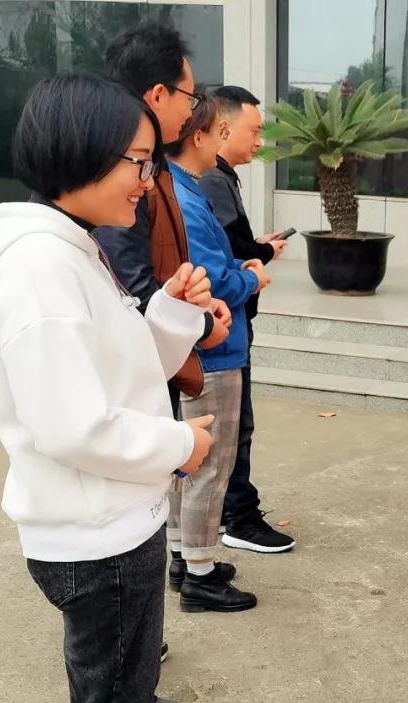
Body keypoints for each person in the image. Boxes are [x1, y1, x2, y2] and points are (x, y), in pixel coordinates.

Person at [0, 74, 213, 703]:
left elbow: (119, 372)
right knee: (110, 695)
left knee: (122, 678)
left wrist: (172, 311)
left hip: (114, 519)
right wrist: (180, 444)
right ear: (82, 152)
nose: (148, 181)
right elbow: (72, 427)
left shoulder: (72, 246)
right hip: (99, 537)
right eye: (139, 162)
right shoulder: (40, 268)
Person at [97, 23, 230, 418]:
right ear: (158, 94)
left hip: (150, 362)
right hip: (130, 382)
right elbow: (129, 284)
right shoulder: (122, 171)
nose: (192, 111)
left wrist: (190, 307)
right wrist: (199, 325)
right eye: (190, 97)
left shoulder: (153, 165)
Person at [165, 95, 266, 612]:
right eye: (220, 133)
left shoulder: (182, 188)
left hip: (203, 343)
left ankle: (184, 557)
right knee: (209, 462)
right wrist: (250, 278)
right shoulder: (188, 194)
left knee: (189, 459)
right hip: (215, 347)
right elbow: (213, 280)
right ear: (201, 134)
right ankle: (200, 575)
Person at [200, 85, 295, 554]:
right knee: (232, 426)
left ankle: (224, 514)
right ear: (221, 127)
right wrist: (257, 265)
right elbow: (223, 263)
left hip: (228, 322)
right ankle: (235, 516)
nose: (259, 141)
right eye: (254, 131)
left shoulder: (216, 179)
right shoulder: (208, 181)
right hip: (220, 328)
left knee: (229, 426)